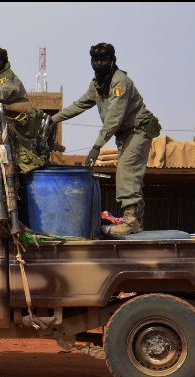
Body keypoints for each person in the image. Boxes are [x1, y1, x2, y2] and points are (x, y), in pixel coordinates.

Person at [51, 43, 161, 236]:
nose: (99, 64)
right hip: (125, 134)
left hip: (138, 130)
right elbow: (80, 104)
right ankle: (136, 222)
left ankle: (131, 221)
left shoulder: (120, 83)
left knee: (126, 171)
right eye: (95, 60)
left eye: (103, 60)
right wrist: (53, 119)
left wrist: (96, 147)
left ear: (112, 61)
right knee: (130, 173)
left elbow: (114, 118)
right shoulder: (97, 84)